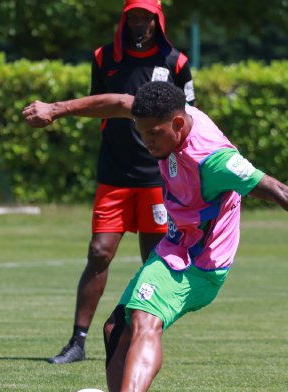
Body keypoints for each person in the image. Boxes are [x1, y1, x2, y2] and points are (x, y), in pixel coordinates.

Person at [22, 81, 288, 392]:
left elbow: (276, 190)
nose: (146, 142)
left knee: (144, 317)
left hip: (201, 261)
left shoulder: (215, 160)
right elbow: (120, 101)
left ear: (179, 124)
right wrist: (57, 109)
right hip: (175, 246)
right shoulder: (160, 113)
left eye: (154, 134)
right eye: (141, 133)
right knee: (116, 329)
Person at [46, 0, 195, 364]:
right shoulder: (103, 57)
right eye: (134, 17)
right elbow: (101, 103)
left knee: (156, 258)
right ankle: (78, 341)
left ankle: (147, 335)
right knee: (99, 251)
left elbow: (189, 116)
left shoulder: (175, 61)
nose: (140, 24)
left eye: (147, 18)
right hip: (114, 173)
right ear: (124, 19)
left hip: (158, 178)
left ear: (158, 21)